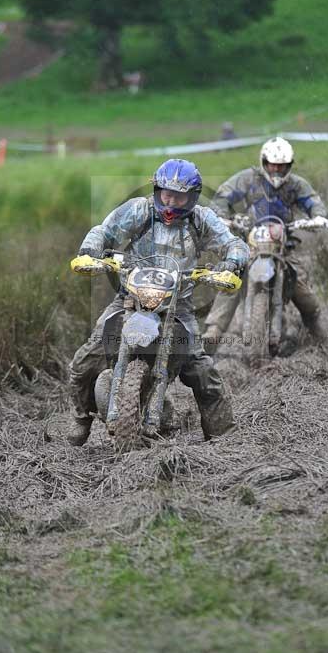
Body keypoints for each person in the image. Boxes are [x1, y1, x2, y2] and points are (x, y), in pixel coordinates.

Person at [67, 158, 249, 447]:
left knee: (203, 372)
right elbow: (104, 229)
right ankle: (80, 418)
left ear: (192, 197)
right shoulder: (139, 210)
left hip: (179, 305)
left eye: (178, 196)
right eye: (165, 193)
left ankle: (223, 438)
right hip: (129, 297)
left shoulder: (201, 219)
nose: (170, 202)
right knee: (84, 359)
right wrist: (91, 251)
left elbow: (234, 243)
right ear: (157, 190)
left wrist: (232, 262)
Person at [203, 137, 328, 353]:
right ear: (264, 162)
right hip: (250, 244)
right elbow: (222, 197)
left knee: (302, 290)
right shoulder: (248, 179)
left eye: (282, 165)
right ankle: (213, 332)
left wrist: (316, 218)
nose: (277, 170)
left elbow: (313, 202)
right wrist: (224, 216)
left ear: (289, 165)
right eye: (273, 164)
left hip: (283, 247)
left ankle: (316, 331)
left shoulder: (297, 184)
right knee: (232, 278)